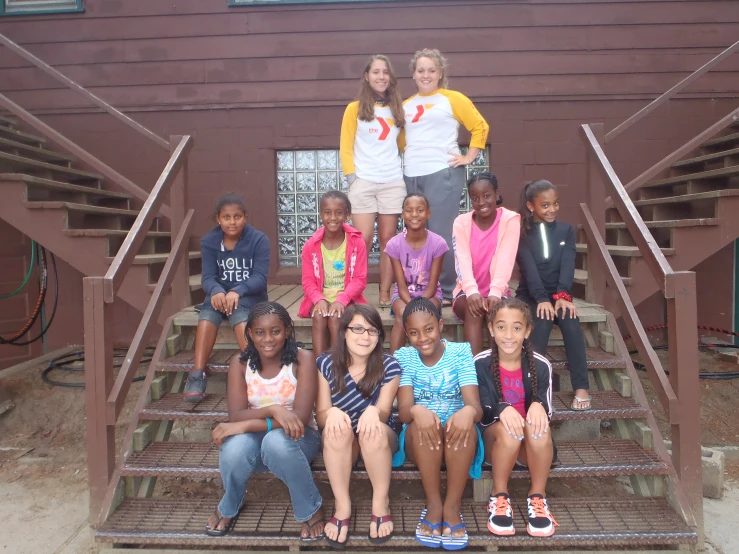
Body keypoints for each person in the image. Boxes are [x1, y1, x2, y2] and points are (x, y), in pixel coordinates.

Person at [205, 302, 325, 541]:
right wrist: (274, 409)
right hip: (257, 445)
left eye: (275, 331)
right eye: (260, 332)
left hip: (298, 441)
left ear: (288, 331)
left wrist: (246, 425)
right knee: (234, 447)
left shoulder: (303, 359)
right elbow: (235, 415)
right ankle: (230, 503)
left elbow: (299, 419)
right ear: (249, 333)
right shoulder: (240, 364)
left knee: (274, 442)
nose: (268, 339)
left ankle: (310, 508)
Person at [400, 48, 489, 306]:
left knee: (440, 232)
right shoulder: (405, 105)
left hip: (442, 171)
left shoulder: (452, 98)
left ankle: (449, 289)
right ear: (413, 75)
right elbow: (403, 139)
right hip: (412, 174)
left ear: (440, 74)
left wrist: (469, 156)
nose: (426, 75)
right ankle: (420, 286)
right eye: (420, 70)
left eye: (431, 70)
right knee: (416, 232)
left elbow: (479, 125)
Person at [393, 297, 483, 550]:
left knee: (462, 426)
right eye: (413, 332)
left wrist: (467, 412)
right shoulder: (405, 357)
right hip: (419, 439)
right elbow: (403, 412)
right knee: (424, 426)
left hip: (458, 439)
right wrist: (416, 410)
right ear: (407, 334)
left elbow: (475, 408)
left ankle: (452, 507)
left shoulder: (461, 352)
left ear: (441, 325)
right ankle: (434, 504)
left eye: (428, 329)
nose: (422, 338)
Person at [316, 304, 402, 549]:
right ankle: (342, 506)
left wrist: (374, 411)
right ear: (344, 332)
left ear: (379, 337)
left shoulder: (390, 366)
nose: (365, 337)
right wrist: (331, 412)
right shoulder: (325, 364)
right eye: (358, 329)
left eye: (372, 331)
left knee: (372, 430)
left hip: (380, 437)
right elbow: (321, 416)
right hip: (344, 441)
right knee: (333, 431)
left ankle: (380, 503)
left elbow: (384, 413)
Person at [476, 297, 557, 537]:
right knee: (509, 429)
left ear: (528, 331)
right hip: (495, 443)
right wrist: (502, 408)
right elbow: (479, 410)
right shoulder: (480, 364)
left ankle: (538, 498)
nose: (508, 335)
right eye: (501, 327)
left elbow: (548, 410)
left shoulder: (541, 365)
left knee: (539, 426)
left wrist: (538, 405)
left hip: (528, 447)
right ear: (491, 329)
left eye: (517, 328)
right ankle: (499, 495)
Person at [185, 193, 269, 402]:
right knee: (207, 315)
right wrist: (216, 290)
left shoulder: (259, 239)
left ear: (245, 217)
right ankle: (198, 374)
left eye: (237, 217)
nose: (232, 222)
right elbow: (208, 277)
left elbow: (259, 277)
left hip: (249, 296)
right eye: (227, 217)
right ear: (218, 219)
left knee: (239, 315)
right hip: (220, 296)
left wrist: (237, 291)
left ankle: (255, 373)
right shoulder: (210, 241)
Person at [516, 180, 591, 411]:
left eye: (555, 204)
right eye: (545, 205)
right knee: (543, 321)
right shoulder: (523, 233)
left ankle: (581, 388)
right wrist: (541, 299)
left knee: (570, 323)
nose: (552, 210)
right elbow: (529, 270)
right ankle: (536, 390)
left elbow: (568, 265)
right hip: (531, 295)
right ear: (531, 206)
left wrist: (561, 295)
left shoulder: (566, 231)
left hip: (558, 294)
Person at [340, 54, 406, 308]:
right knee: (363, 238)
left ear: (391, 78)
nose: (381, 76)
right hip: (364, 181)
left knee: (389, 240)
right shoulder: (354, 109)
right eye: (376, 72)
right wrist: (352, 178)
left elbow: (403, 145)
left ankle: (385, 291)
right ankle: (355, 290)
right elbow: (346, 146)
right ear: (367, 76)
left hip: (391, 181)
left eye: (385, 72)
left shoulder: (398, 109)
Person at [452, 172, 520, 355]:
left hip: (497, 292)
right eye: (475, 198)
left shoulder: (510, 220)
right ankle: (474, 374)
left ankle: (496, 371)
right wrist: (472, 292)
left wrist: (495, 292)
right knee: (473, 310)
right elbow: (462, 259)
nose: (481, 202)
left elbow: (506, 258)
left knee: (496, 312)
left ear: (497, 194)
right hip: (466, 293)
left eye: (487, 196)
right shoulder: (461, 223)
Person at [298, 190, 368, 356]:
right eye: (327, 213)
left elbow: (360, 279)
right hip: (320, 298)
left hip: (348, 299)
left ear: (347, 215)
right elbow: (308, 281)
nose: (333, 218)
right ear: (321, 215)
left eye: (339, 213)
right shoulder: (311, 245)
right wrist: (318, 299)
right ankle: (320, 366)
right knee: (319, 317)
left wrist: (342, 300)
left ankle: (338, 365)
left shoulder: (357, 243)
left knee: (336, 318)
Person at [385, 193, 448, 353]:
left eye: (420, 210)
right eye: (409, 210)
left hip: (431, 295)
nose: (414, 214)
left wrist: (421, 304)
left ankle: (434, 362)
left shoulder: (438, 243)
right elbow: (400, 284)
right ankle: (394, 364)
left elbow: (433, 284)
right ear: (402, 214)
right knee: (402, 315)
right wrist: (412, 305)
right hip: (403, 295)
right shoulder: (394, 244)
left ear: (428, 213)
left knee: (427, 316)